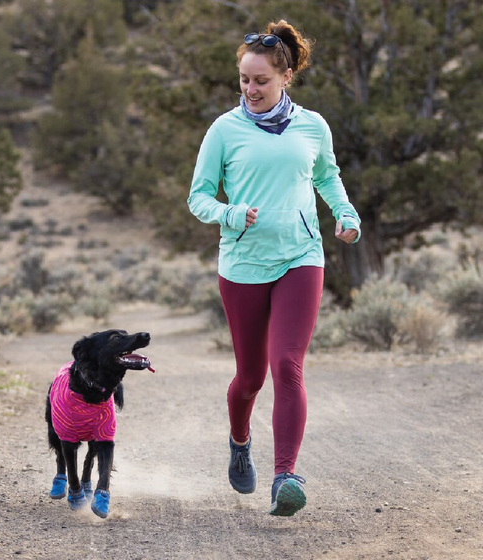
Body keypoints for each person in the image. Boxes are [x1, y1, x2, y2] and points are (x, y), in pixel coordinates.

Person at [187, 19, 361, 517]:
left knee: (288, 365)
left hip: (300, 256)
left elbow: (327, 178)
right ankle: (239, 441)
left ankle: (286, 475)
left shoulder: (313, 126)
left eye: (261, 80)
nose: (251, 89)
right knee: (249, 378)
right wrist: (229, 213)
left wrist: (345, 215)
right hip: (242, 263)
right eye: (244, 79)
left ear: (285, 77)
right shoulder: (224, 130)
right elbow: (197, 197)